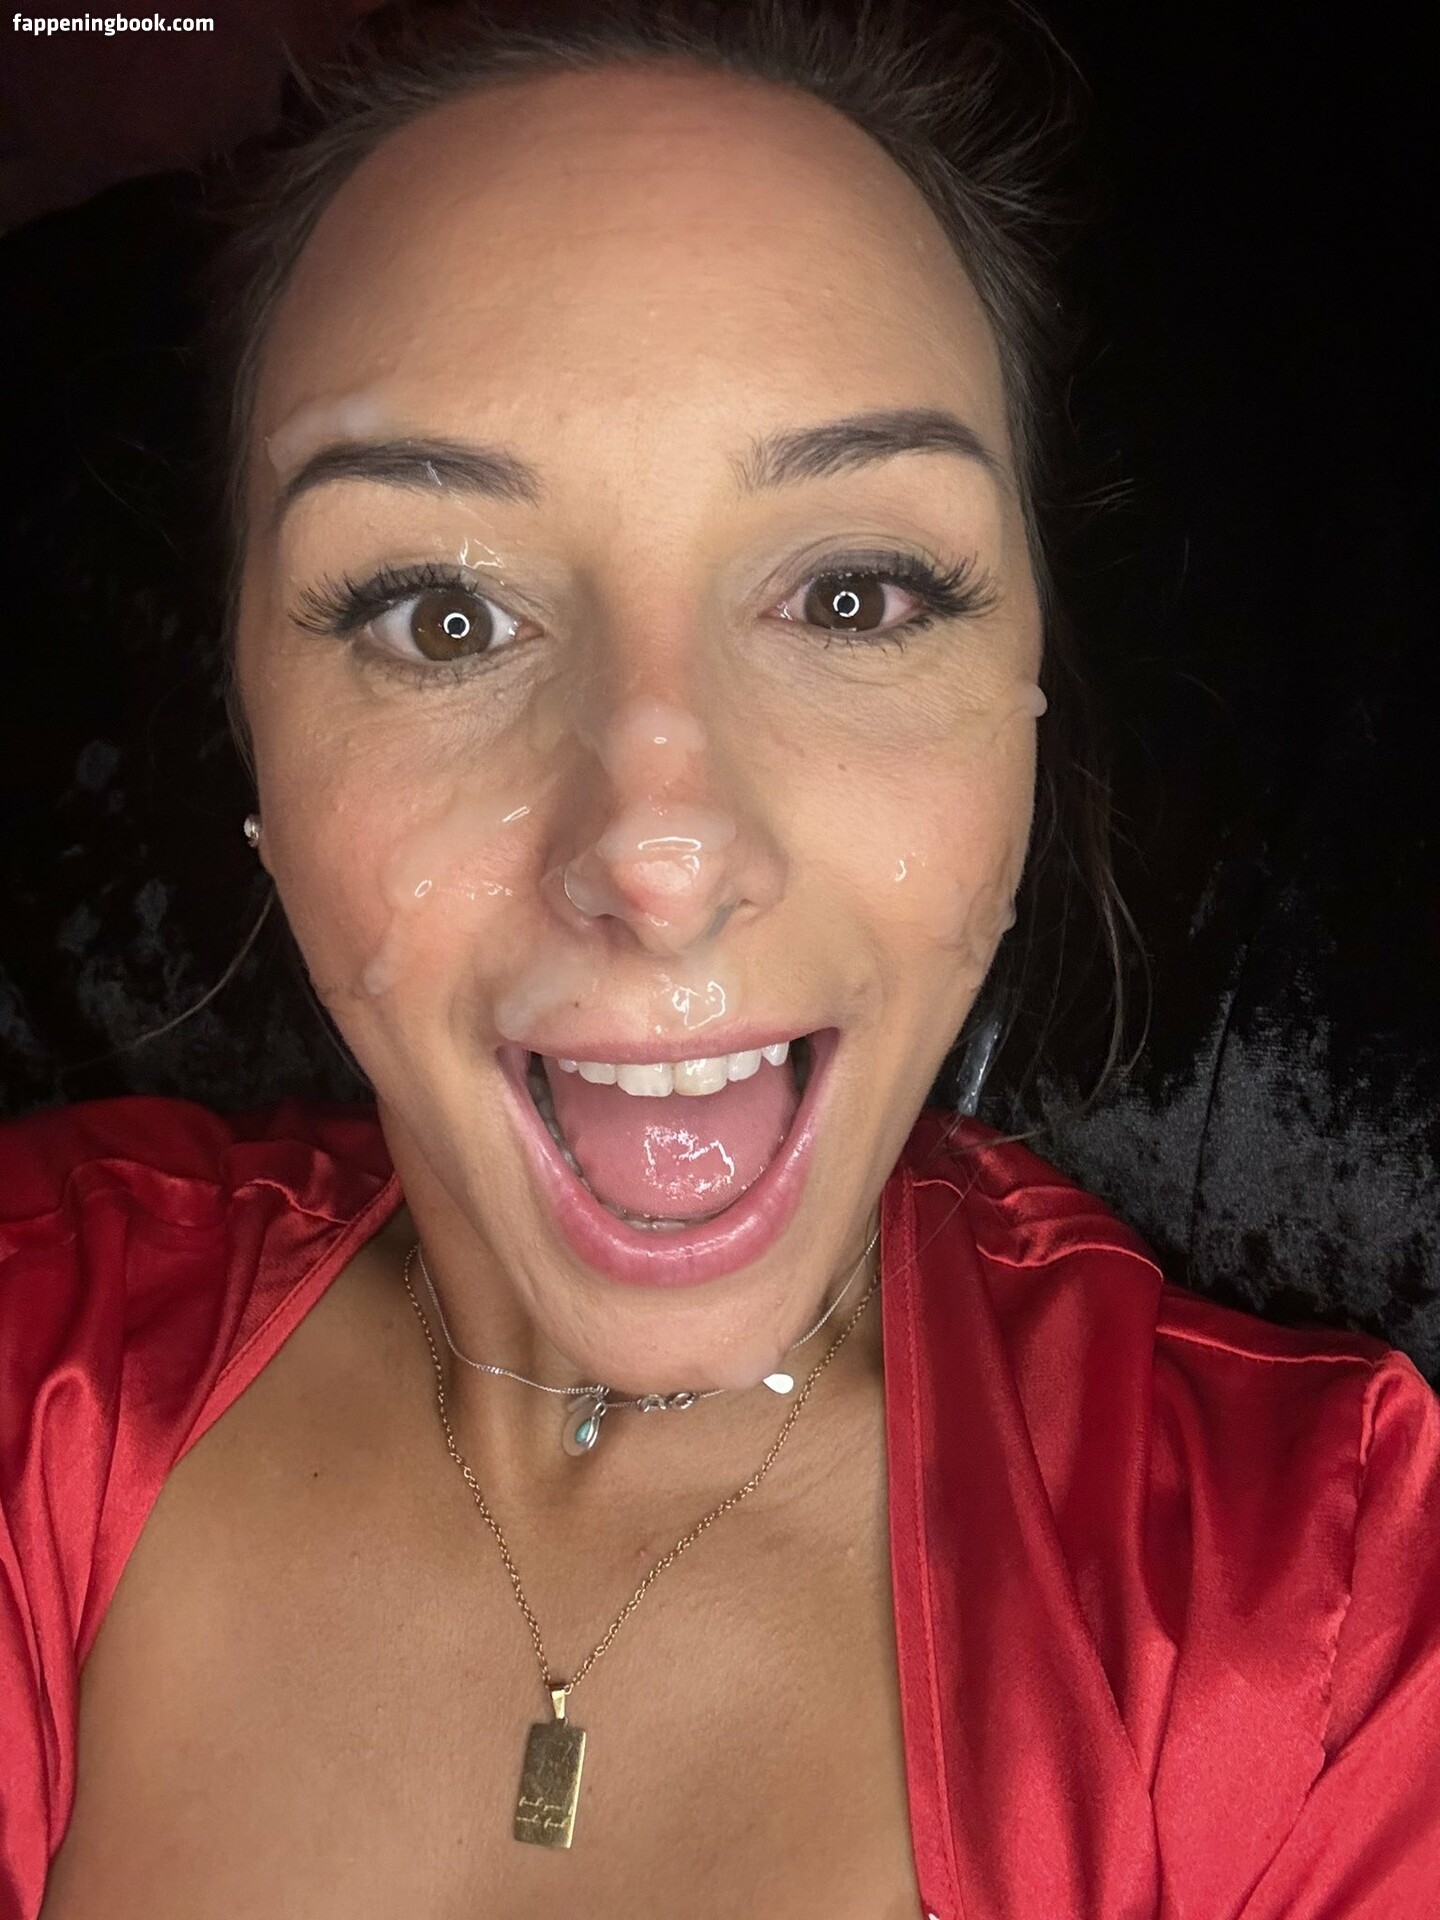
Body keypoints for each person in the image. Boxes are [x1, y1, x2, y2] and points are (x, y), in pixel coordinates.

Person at [3, 3, 1437, 1915]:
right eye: (440, 617)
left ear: (1031, 710)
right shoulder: (34, 1334)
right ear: (250, 741)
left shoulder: (1325, 1633)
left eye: (853, 595)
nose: (660, 853)